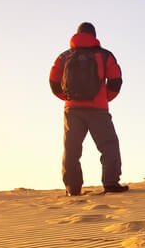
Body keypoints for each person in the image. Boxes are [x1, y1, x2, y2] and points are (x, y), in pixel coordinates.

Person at [49, 22, 128, 195]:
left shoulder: (64, 56)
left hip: (72, 110)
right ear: (94, 35)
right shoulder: (105, 55)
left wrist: (67, 98)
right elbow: (116, 80)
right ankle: (111, 184)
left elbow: (53, 81)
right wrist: (104, 98)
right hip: (98, 109)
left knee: (71, 148)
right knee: (109, 145)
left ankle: (73, 189)